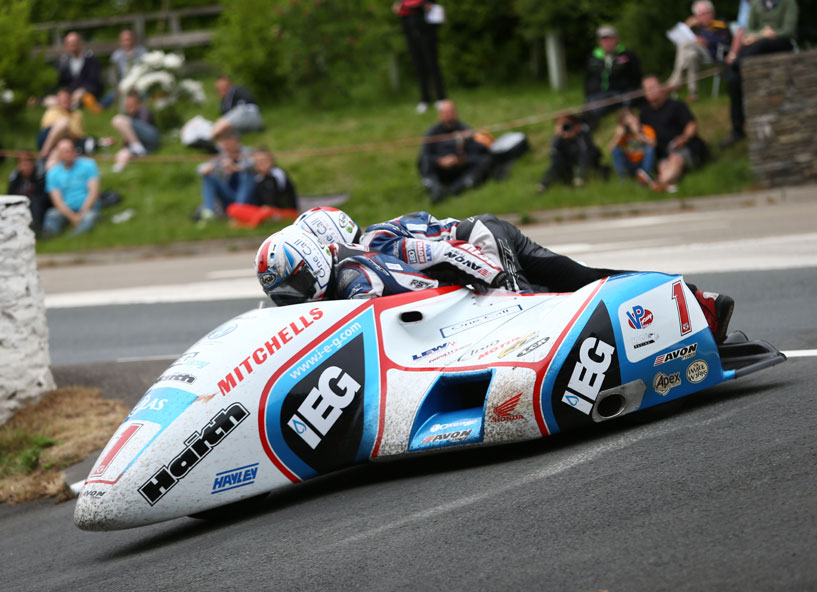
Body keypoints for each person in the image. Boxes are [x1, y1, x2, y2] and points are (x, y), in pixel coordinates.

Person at [294, 207, 736, 343]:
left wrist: (495, 283)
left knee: (539, 310)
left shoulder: (372, 248)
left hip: (482, 244)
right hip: (488, 231)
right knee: (582, 279)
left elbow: (444, 252)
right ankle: (694, 299)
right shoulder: (369, 246)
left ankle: (675, 317)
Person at [255, 225, 439, 305]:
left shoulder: (354, 276)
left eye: (294, 287)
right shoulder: (334, 262)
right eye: (281, 297)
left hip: (435, 315)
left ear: (312, 265)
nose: (292, 300)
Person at [720, 0, 799, 148]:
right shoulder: (756, 4)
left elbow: (788, 31)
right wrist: (761, 34)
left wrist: (764, 35)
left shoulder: (788, 3)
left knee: (759, 45)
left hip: (780, 44)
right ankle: (737, 128)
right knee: (732, 80)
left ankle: (735, 65)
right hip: (757, 45)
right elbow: (749, 31)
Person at [638, 75, 707, 192]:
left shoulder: (676, 106)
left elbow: (691, 125)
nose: (651, 91)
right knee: (663, 165)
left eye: (653, 87)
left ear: (661, 88)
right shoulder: (644, 113)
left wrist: (684, 138)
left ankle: (657, 183)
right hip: (664, 154)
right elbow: (642, 133)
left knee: (675, 158)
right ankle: (666, 185)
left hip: (686, 148)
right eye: (647, 89)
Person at [418, 100, 493, 203]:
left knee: (485, 159)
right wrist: (440, 161)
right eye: (445, 113)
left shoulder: (465, 130)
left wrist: (460, 159)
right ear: (440, 115)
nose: (449, 116)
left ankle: (460, 187)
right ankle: (434, 187)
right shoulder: (432, 132)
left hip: (460, 168)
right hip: (440, 169)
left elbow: (478, 152)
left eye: (451, 112)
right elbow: (426, 154)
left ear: (456, 113)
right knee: (423, 160)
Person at [666, 1, 732, 102]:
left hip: (712, 54)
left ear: (713, 13)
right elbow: (676, 39)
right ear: (696, 16)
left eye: (707, 12)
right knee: (691, 55)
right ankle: (693, 93)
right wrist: (687, 25)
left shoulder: (719, 23)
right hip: (697, 55)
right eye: (701, 14)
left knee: (684, 44)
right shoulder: (697, 27)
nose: (705, 16)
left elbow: (726, 40)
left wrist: (707, 40)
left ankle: (675, 81)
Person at [393, 0, 447, 114]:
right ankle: (425, 99)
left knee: (432, 65)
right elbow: (397, 8)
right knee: (418, 67)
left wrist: (418, 6)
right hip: (411, 34)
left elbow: (428, 6)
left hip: (426, 33)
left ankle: (440, 98)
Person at [225, 147, 299, 228]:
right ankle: (259, 220)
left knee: (266, 212)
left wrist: (268, 207)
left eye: (264, 161)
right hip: (263, 210)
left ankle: (247, 225)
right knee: (233, 208)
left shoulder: (277, 174)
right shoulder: (257, 177)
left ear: (271, 161)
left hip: (283, 210)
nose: (261, 164)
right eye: (258, 162)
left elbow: (280, 197)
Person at [584, 25, 642, 124]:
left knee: (630, 101)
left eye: (610, 39)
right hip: (600, 95)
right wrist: (590, 93)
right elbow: (587, 79)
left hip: (623, 93)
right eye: (604, 40)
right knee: (593, 109)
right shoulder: (592, 58)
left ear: (616, 39)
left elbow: (637, 76)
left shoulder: (628, 55)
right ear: (599, 42)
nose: (607, 42)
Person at [43, 138, 100, 237]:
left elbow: (93, 192)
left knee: (88, 218)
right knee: (51, 215)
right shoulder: (52, 173)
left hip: (88, 208)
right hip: (66, 210)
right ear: (59, 155)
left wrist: (81, 213)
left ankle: (73, 238)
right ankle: (51, 240)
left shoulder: (89, 164)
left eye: (72, 149)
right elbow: (57, 201)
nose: (71, 153)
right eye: (66, 151)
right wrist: (73, 217)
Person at [537, 113, 607, 192]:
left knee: (584, 155)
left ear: (575, 124)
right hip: (568, 160)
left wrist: (575, 134)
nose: (565, 127)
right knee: (557, 161)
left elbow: (586, 150)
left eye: (567, 124)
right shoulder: (558, 137)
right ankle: (543, 185)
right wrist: (558, 137)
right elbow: (553, 154)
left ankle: (580, 179)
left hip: (586, 156)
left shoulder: (582, 131)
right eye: (561, 124)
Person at [194, 133, 254, 223]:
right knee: (209, 177)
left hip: (248, 197)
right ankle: (209, 213)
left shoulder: (248, 152)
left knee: (247, 175)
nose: (228, 147)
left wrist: (236, 168)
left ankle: (238, 212)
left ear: (238, 142)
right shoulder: (222, 155)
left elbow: (254, 164)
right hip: (229, 195)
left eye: (230, 143)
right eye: (225, 145)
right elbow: (200, 168)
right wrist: (206, 169)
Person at [54, 32, 104, 113]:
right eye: (70, 43)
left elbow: (94, 80)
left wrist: (82, 89)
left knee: (83, 96)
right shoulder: (63, 61)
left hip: (87, 91)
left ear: (80, 43)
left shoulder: (90, 59)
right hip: (69, 92)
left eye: (74, 42)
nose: (72, 45)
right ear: (66, 45)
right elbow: (60, 81)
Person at [37, 88, 86, 169]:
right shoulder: (52, 111)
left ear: (71, 100)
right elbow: (47, 127)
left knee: (51, 165)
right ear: (58, 100)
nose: (64, 101)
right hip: (47, 140)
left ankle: (45, 169)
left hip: (63, 144)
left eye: (66, 99)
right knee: (63, 123)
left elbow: (79, 133)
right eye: (62, 99)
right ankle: (44, 153)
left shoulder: (77, 114)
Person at [110, 91, 159, 173]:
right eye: (128, 105)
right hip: (145, 146)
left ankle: (137, 148)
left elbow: (143, 126)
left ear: (138, 103)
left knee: (117, 120)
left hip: (152, 136)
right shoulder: (129, 119)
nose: (129, 107)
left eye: (132, 104)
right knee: (121, 153)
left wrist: (128, 127)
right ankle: (118, 169)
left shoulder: (143, 111)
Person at [608, 107, 657, 181]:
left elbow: (653, 144)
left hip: (643, 163)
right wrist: (618, 136)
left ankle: (644, 177)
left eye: (632, 121)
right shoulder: (624, 135)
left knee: (649, 150)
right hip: (631, 164)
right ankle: (623, 178)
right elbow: (611, 149)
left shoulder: (646, 129)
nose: (630, 125)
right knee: (616, 150)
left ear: (636, 118)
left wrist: (637, 134)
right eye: (627, 124)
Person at [7, 151, 48, 236]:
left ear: (33, 163)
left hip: (38, 205)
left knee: (35, 202)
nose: (26, 166)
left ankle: (36, 230)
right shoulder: (15, 178)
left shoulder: (40, 175)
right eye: (23, 164)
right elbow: (9, 196)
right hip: (19, 205)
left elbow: (43, 195)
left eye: (28, 163)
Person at [210, 76, 263, 140]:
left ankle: (208, 137)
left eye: (224, 87)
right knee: (224, 132)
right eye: (219, 89)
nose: (221, 90)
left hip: (250, 115)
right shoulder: (223, 102)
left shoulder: (236, 90)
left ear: (229, 84)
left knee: (222, 122)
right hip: (242, 128)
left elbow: (250, 104)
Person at [105, 29, 147, 108]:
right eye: (125, 40)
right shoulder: (116, 56)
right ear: (120, 42)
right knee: (108, 98)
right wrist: (118, 87)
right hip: (122, 86)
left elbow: (147, 70)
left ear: (134, 40)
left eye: (129, 39)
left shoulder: (142, 52)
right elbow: (112, 77)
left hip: (140, 84)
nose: (128, 42)